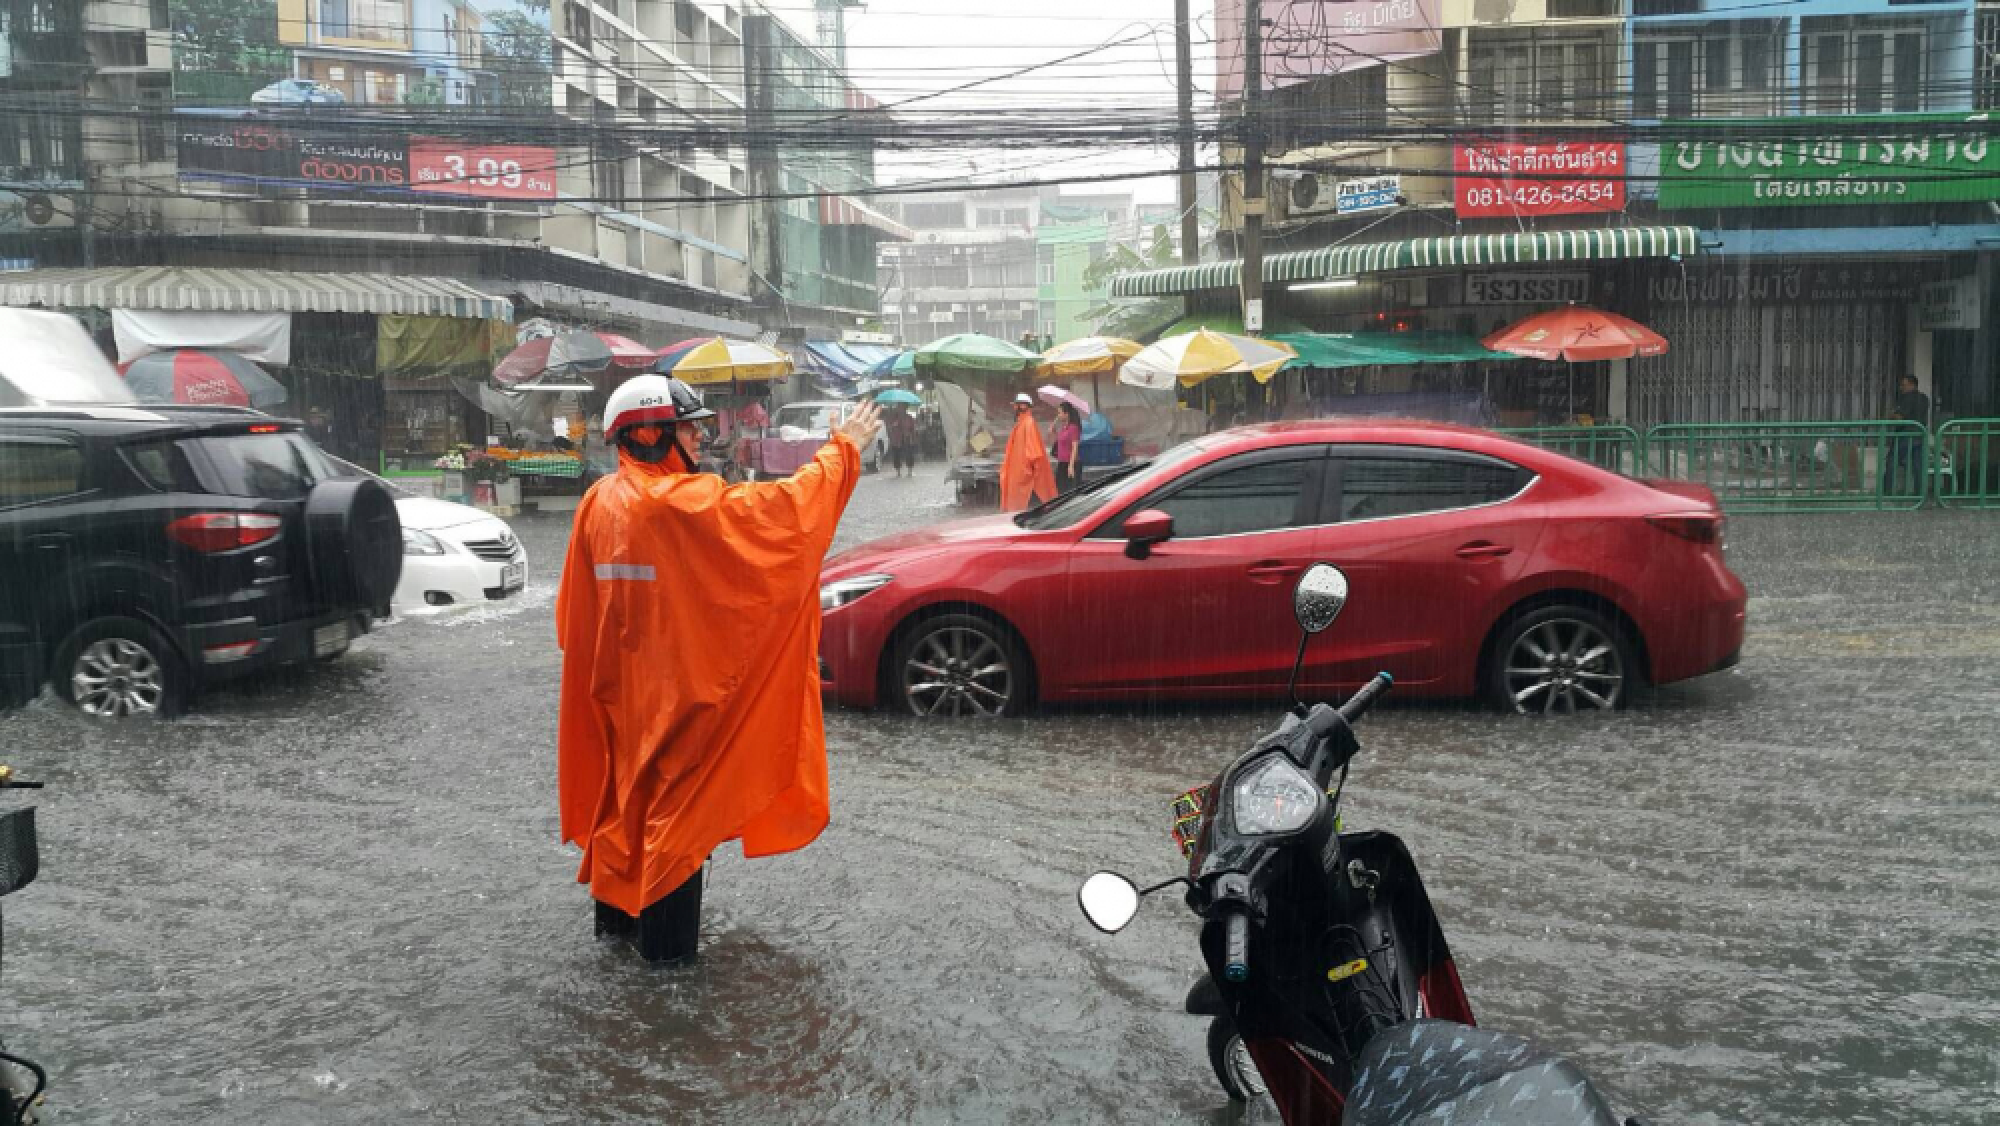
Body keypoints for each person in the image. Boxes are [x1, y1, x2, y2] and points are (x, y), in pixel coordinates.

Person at [556, 375, 878, 963]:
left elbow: (571, 620)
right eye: (690, 426)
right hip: (679, 706)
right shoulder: (675, 504)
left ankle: (616, 948)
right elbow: (782, 518)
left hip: (623, 705)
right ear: (651, 434)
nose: (702, 436)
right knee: (677, 833)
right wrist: (843, 451)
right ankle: (669, 987)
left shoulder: (598, 503)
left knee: (625, 817)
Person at [999, 391, 1056, 511]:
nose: (1014, 407)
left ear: (1023, 406)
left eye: (1017, 405)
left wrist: (1029, 473)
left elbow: (1034, 454)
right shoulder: (1022, 423)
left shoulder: (1028, 423)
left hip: (1026, 478)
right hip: (1021, 475)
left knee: (1027, 510)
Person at [1883, 374, 1931, 495]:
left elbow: (1899, 417)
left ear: (1911, 384)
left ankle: (1887, 491)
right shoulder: (1924, 398)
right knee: (1918, 465)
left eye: (1903, 385)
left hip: (1905, 434)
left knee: (1892, 462)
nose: (1901, 388)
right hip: (1920, 435)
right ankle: (1920, 493)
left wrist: (1891, 414)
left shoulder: (1906, 398)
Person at [1050, 401, 1083, 493]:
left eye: (1060, 413)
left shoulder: (1073, 428)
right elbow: (1062, 441)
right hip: (1062, 463)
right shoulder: (1064, 427)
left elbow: (1075, 447)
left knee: (1070, 492)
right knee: (1060, 490)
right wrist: (1054, 430)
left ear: (1066, 414)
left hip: (1071, 463)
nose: (1058, 415)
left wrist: (1071, 466)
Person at [885, 403, 919, 477]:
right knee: (896, 455)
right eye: (899, 407)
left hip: (907, 438)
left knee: (909, 455)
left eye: (902, 407)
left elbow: (913, 428)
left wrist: (913, 437)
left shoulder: (909, 418)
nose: (900, 409)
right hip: (896, 439)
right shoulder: (893, 418)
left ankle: (910, 471)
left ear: (905, 408)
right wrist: (893, 425)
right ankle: (898, 472)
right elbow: (888, 428)